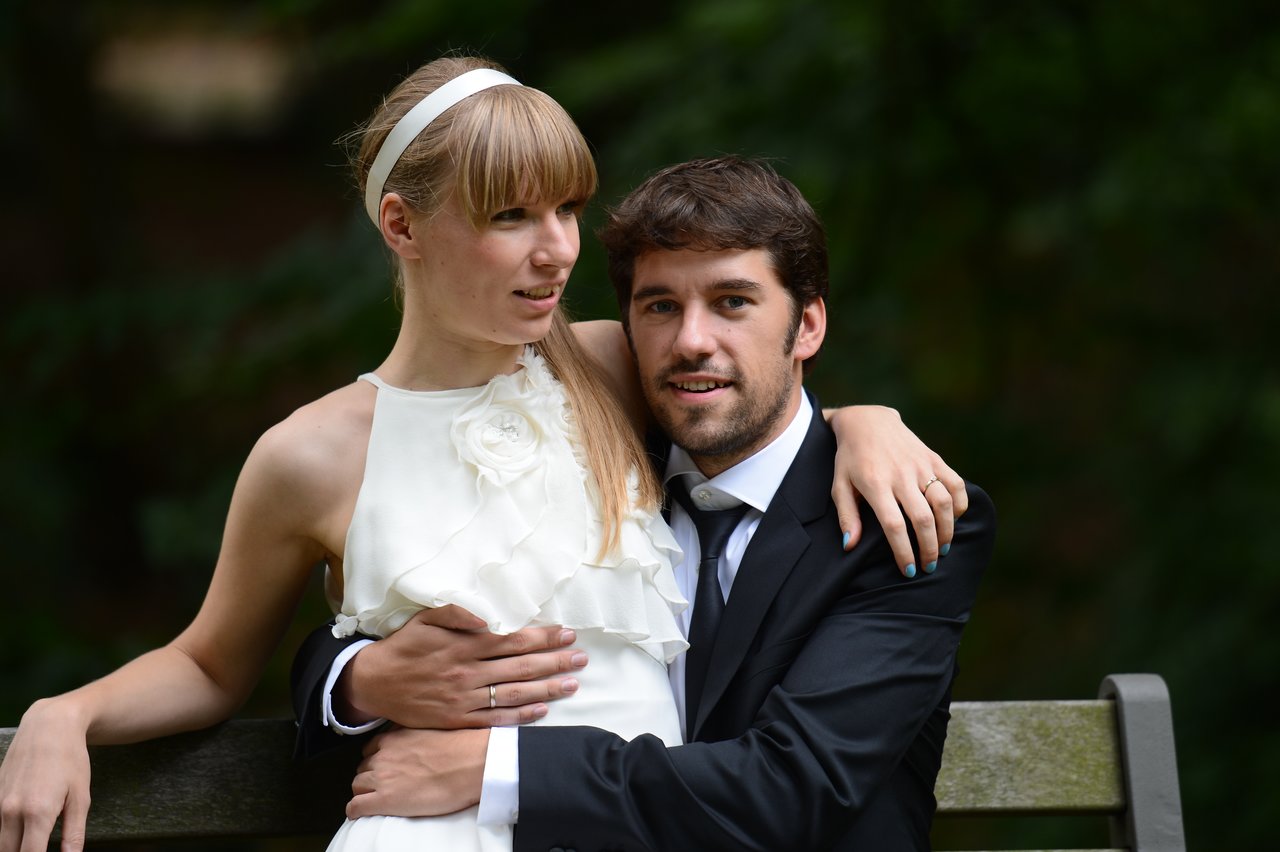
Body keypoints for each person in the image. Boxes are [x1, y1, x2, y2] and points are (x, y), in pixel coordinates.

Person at [0, 57, 962, 852]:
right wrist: (64, 714)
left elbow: (762, 388)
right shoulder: (309, 454)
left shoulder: (608, 365)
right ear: (403, 227)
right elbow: (211, 665)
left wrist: (868, 421)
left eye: (567, 210)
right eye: (511, 218)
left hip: (628, 821)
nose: (556, 252)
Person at [293, 156, 996, 851]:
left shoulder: (903, 520)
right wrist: (356, 681)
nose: (692, 341)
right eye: (661, 307)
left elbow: (792, 787)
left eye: (732, 303)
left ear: (807, 326)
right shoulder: (606, 470)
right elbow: (422, 592)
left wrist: (495, 767)